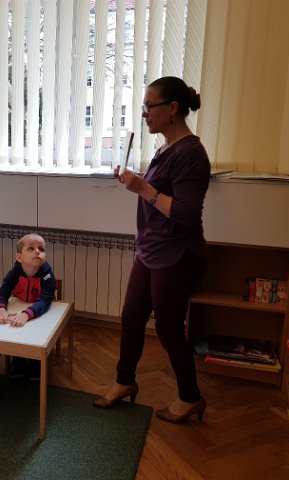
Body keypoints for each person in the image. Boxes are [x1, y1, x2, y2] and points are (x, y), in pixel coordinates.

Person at [93, 76, 210, 424]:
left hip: (177, 254)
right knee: (131, 317)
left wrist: (142, 187)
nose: (144, 113)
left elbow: (186, 214)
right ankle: (124, 381)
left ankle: (190, 397)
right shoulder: (165, 147)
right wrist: (136, 183)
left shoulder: (191, 153)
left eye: (149, 106)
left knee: (169, 329)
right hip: (151, 250)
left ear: (172, 109)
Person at [0, 233, 56, 380]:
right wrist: (1, 310)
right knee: (15, 330)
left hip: (41, 311)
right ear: (19, 257)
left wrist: (26, 314)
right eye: (31, 249)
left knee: (37, 332)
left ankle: (36, 363)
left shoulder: (47, 276)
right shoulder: (14, 274)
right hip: (19, 307)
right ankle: (18, 361)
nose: (37, 251)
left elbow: (45, 300)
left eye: (41, 249)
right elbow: (2, 293)